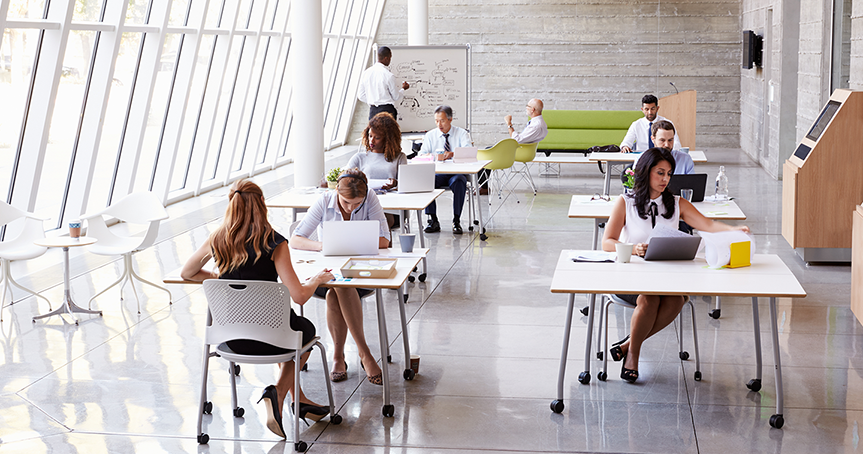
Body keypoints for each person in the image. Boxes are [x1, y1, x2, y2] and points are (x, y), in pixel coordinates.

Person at [181, 179, 335, 438]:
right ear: (261, 205)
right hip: (275, 339)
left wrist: (223, 281)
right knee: (303, 331)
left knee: (289, 333)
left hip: (233, 341)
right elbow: (299, 296)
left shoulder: (218, 238)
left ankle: (300, 401)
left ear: (231, 205)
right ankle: (277, 393)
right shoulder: (274, 242)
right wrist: (317, 280)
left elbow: (187, 272)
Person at [601, 148, 749, 384]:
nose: (665, 179)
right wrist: (634, 248)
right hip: (631, 275)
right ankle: (633, 356)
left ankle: (628, 344)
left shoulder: (676, 203)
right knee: (649, 298)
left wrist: (733, 230)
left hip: (666, 276)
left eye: (669, 174)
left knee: (677, 299)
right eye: (660, 173)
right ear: (646, 172)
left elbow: (707, 225)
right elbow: (607, 242)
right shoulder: (625, 202)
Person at [290, 168, 389, 386]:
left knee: (338, 290)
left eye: (357, 204)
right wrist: (323, 246)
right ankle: (365, 355)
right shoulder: (324, 200)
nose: (351, 207)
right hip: (324, 275)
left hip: (360, 274)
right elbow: (296, 240)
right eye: (346, 203)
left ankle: (338, 357)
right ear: (337, 192)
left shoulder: (370, 198)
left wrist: (350, 244)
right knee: (338, 286)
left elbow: (385, 240)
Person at [347, 112, 408, 229]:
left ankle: (380, 245)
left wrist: (396, 184)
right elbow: (345, 180)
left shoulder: (399, 157)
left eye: (377, 138)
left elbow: (405, 185)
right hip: (363, 203)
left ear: (388, 139)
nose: (372, 141)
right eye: (370, 136)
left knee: (382, 217)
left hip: (392, 206)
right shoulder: (359, 157)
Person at [419, 105, 472, 234]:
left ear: (450, 119)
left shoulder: (461, 133)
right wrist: (433, 156)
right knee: (427, 181)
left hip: (456, 173)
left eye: (442, 120)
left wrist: (453, 154)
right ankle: (433, 220)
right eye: (436, 121)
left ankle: (456, 220)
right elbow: (421, 154)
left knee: (459, 181)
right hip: (438, 173)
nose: (439, 124)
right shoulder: (430, 135)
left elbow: (469, 152)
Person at [622, 120, 695, 185]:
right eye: (662, 140)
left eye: (670, 140)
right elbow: (637, 187)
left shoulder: (685, 159)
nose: (667, 145)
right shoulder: (641, 158)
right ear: (653, 139)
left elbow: (692, 186)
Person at [357, 46, 409, 121]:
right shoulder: (388, 75)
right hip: (387, 111)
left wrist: (373, 101)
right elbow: (396, 97)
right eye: (390, 58)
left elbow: (361, 95)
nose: (390, 60)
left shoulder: (366, 73)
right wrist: (403, 89)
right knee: (388, 132)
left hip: (373, 111)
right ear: (386, 58)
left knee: (374, 132)